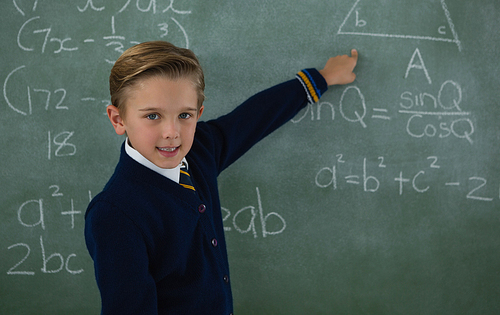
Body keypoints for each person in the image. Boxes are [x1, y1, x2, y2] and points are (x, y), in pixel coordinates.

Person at [84, 40, 358, 315]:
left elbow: (252, 119)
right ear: (118, 119)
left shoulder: (200, 150)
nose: (172, 131)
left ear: (198, 114)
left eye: (184, 115)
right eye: (153, 115)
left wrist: (322, 78)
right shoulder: (114, 214)